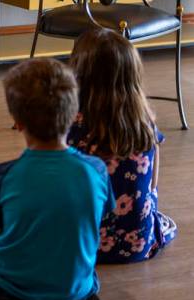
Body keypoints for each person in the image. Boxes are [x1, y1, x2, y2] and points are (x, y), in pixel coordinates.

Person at [0, 58, 114, 300]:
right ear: (73, 115)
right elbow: (99, 221)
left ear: (17, 123)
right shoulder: (96, 170)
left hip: (12, 287)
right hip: (73, 288)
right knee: (90, 285)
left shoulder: (2, 175)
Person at [68, 28, 177, 263]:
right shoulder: (144, 122)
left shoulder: (70, 122)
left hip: (79, 244)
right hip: (137, 245)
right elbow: (153, 184)